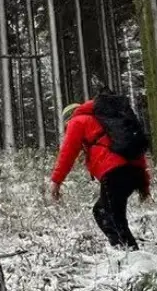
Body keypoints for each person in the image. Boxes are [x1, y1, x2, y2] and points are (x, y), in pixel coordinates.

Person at [50, 95, 151, 251]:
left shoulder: (77, 121)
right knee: (104, 212)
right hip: (132, 172)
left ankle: (130, 254)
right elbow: (135, 152)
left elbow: (67, 152)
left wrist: (56, 181)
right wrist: (144, 183)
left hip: (114, 173)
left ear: (67, 118)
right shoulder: (105, 123)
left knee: (110, 216)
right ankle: (125, 251)